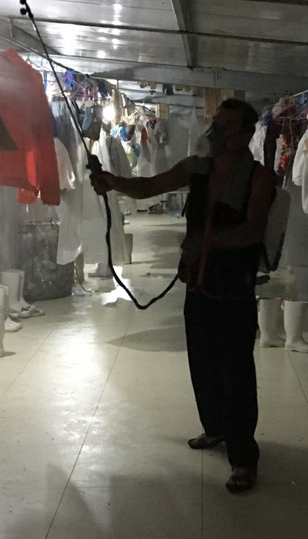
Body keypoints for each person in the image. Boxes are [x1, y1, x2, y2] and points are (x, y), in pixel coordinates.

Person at [91, 99, 274, 493]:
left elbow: (254, 231)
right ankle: (216, 427)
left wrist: (208, 241)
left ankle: (244, 458)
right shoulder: (197, 167)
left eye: (225, 126)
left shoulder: (259, 178)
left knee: (237, 372)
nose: (214, 131)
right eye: (215, 123)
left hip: (234, 286)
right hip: (198, 282)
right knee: (202, 361)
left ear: (245, 135)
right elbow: (150, 186)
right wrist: (113, 181)